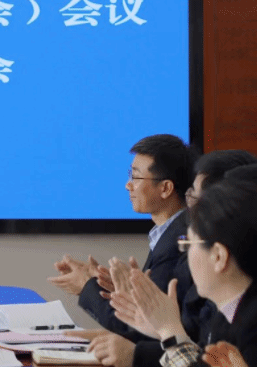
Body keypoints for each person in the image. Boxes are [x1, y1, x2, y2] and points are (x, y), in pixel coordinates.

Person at [93, 152, 257, 367]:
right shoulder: (226, 316)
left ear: (218, 256)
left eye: (189, 244)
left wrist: (170, 331)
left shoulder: (253, 324)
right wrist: (162, 329)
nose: (186, 255)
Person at [49, 135, 196, 337]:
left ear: (165, 188)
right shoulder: (170, 232)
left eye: (136, 177)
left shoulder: (176, 244)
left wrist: (86, 286)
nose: (128, 185)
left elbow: (139, 329)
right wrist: (115, 287)